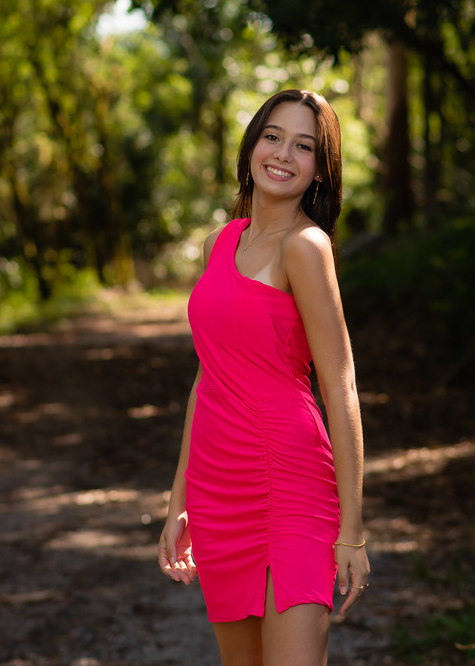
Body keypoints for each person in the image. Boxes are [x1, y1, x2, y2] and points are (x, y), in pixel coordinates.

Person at [158, 89, 370, 666]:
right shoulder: (218, 243)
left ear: (320, 170)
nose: (283, 153)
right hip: (218, 490)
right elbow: (208, 379)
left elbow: (340, 383)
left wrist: (352, 529)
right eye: (273, 136)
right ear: (251, 144)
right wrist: (180, 501)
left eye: (304, 146)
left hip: (293, 483)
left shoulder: (306, 246)